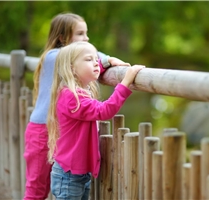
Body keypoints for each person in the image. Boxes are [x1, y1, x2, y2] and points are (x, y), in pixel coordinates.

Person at [23, 12, 130, 200]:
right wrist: (106, 60)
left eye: (86, 33)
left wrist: (102, 61)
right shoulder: (54, 57)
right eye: (80, 34)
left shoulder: (72, 62)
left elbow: (85, 55)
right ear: (62, 38)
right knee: (37, 190)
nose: (86, 38)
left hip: (60, 130)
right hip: (42, 132)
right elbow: (86, 55)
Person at [47, 41, 144, 199]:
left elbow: (91, 68)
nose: (95, 63)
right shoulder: (71, 97)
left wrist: (107, 62)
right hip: (69, 177)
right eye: (88, 59)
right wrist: (125, 82)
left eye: (95, 59)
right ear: (71, 68)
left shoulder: (78, 88)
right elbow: (104, 111)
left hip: (78, 173)